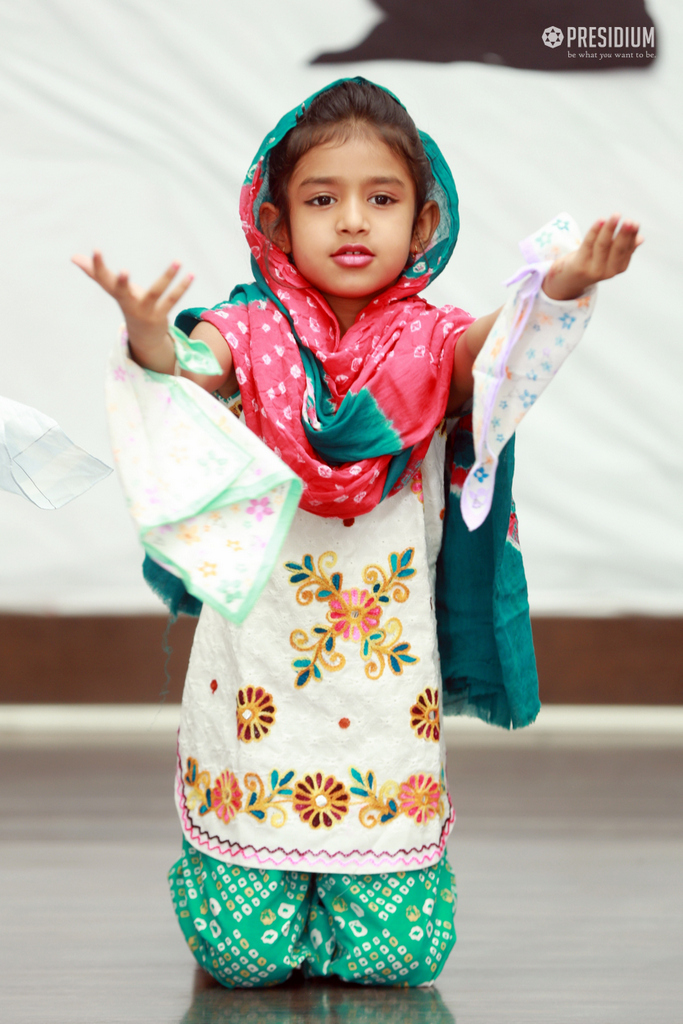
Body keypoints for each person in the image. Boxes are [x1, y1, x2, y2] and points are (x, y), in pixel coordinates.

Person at [73, 78, 641, 989]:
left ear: (421, 226)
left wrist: (563, 286)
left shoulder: (435, 342)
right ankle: (242, 876)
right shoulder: (246, 330)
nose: (351, 221)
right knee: (241, 959)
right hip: (254, 672)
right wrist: (149, 337)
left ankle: (346, 889)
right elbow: (188, 370)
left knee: (401, 958)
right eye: (321, 198)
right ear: (275, 216)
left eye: (380, 199)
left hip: (381, 689)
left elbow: (498, 356)